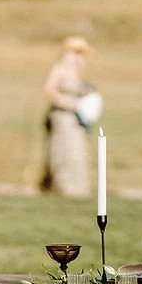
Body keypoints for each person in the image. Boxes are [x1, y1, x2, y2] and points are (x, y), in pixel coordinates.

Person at [40, 36, 97, 198]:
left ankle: (77, 188)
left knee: (77, 151)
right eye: (78, 53)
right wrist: (68, 103)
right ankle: (63, 186)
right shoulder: (60, 68)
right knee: (63, 149)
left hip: (76, 117)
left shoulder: (78, 69)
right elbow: (50, 91)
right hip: (62, 116)